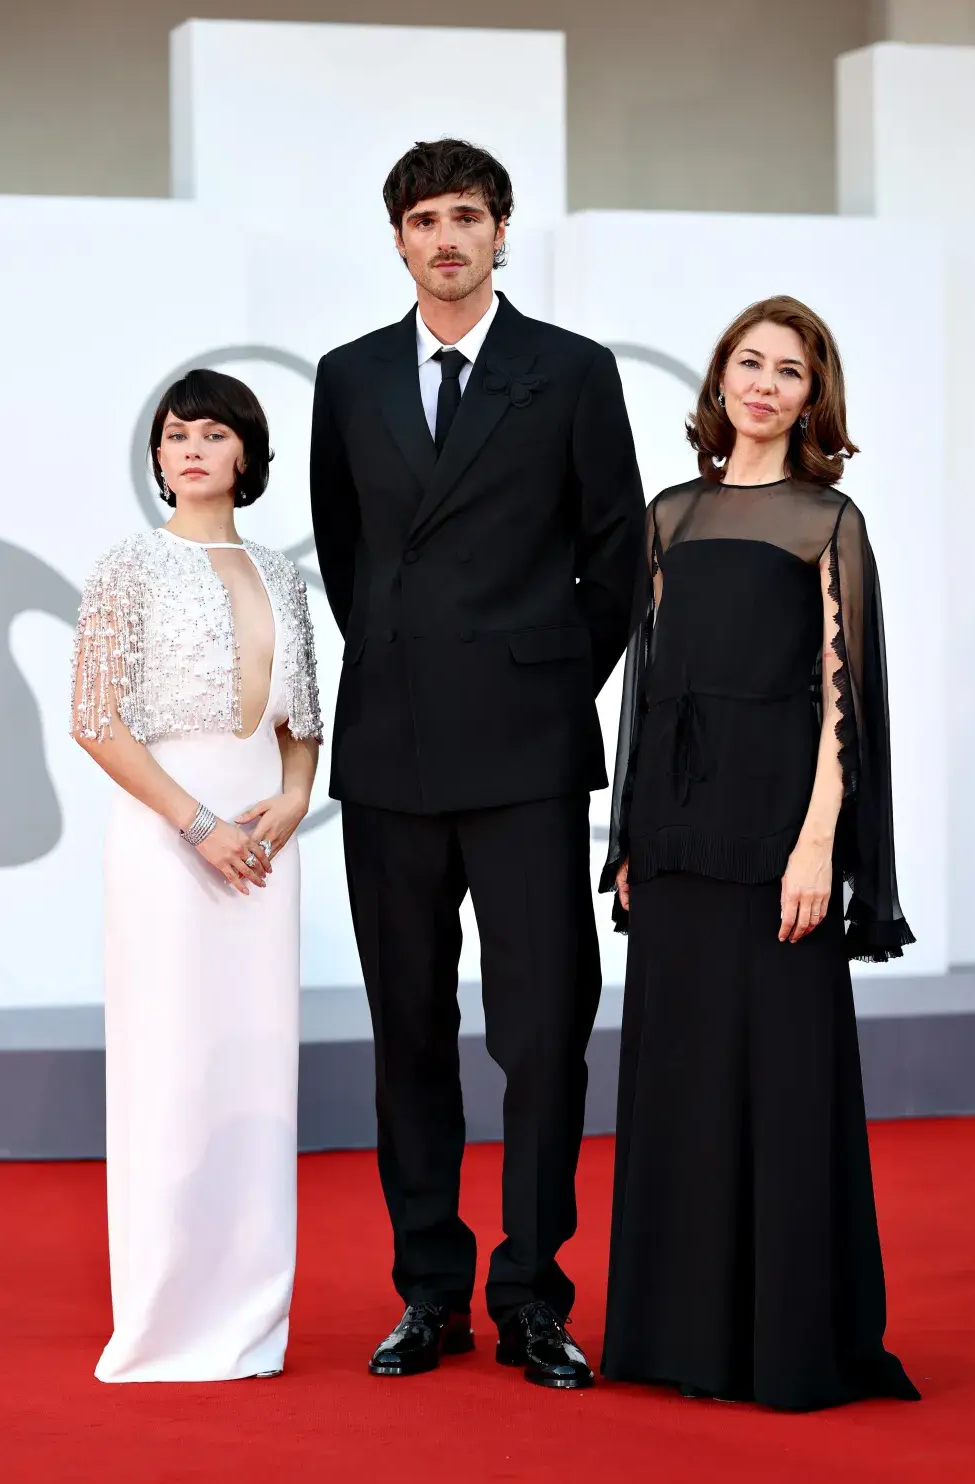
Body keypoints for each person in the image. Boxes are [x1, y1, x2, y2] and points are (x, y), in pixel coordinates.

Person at [310, 139, 643, 1388]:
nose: (445, 238)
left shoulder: (569, 370)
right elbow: (352, 560)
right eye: (422, 220)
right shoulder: (347, 380)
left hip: (527, 750)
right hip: (391, 746)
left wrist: (543, 676)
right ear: (396, 240)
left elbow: (613, 555)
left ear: (503, 231)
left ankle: (534, 1293)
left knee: (544, 1029)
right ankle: (431, 1293)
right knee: (407, 1028)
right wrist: (405, 658)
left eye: (467, 216)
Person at [600, 296, 920, 1410]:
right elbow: (646, 692)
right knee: (680, 1079)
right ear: (722, 379)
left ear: (812, 395)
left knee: (782, 1080)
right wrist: (630, 837)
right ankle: (676, 1334)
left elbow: (847, 707)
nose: (767, 382)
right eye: (751, 361)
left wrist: (817, 846)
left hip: (779, 833)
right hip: (679, 838)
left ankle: (786, 1340)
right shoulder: (668, 517)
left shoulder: (829, 522)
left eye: (791, 368)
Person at [72, 370, 321, 1382]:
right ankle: (166, 1316)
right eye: (175, 433)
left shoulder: (283, 575)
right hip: (166, 838)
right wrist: (199, 822)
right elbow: (96, 722)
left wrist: (297, 799)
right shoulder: (127, 565)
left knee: (257, 1063)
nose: (189, 447)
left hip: (266, 847)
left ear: (246, 455)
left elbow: (303, 728)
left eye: (212, 432)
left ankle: (252, 1313)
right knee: (171, 1063)